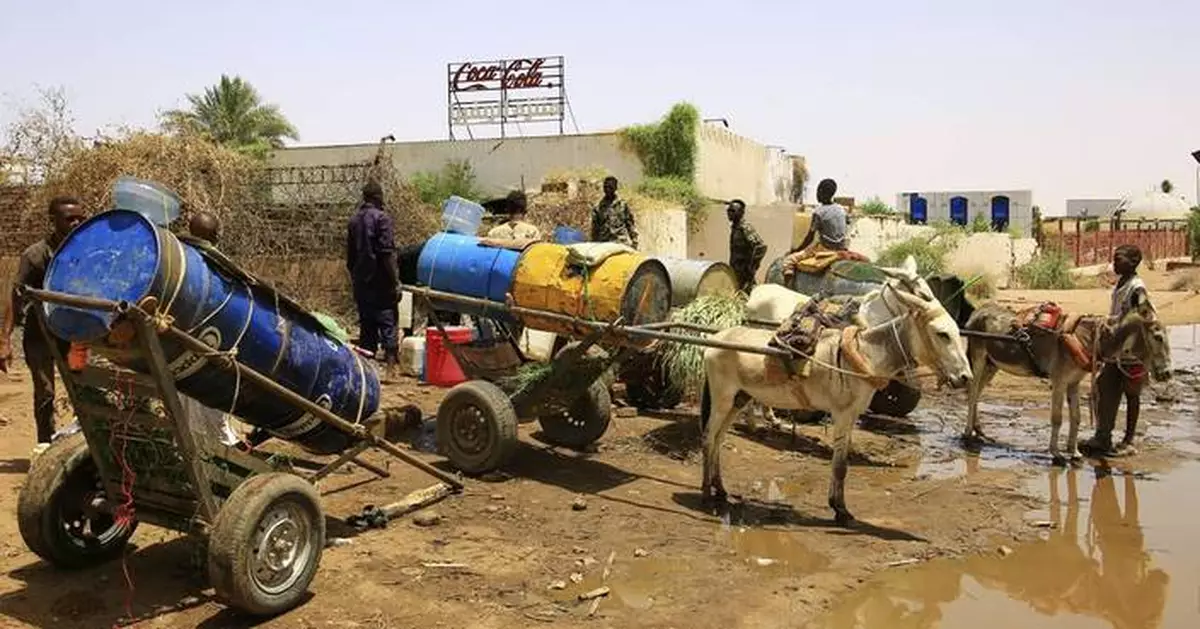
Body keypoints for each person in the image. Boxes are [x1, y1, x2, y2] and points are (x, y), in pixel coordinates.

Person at [0, 197, 87, 447]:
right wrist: (5, 341)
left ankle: (84, 447)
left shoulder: (88, 251)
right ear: (53, 221)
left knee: (82, 390)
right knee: (45, 393)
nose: (77, 222)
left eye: (80, 217)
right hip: (41, 335)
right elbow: (15, 298)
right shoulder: (35, 255)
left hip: (76, 337)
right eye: (70, 218)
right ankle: (45, 447)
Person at [1083, 244, 1150, 457]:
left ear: (1132, 262)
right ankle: (1103, 436)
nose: (1115, 263)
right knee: (1104, 387)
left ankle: (1128, 440)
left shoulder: (1137, 287)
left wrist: (1113, 322)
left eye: (1119, 259)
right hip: (1116, 350)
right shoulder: (1122, 283)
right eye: (1114, 259)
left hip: (1132, 351)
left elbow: (1142, 315)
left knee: (1132, 394)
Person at [346, 181, 401, 381]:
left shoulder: (353, 221)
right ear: (378, 197)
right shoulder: (382, 219)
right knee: (387, 320)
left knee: (367, 324)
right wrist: (395, 281)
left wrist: (357, 276)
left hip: (361, 281)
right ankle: (391, 368)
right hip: (381, 281)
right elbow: (387, 254)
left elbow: (350, 258)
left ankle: (367, 372)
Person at [726, 199, 767, 293]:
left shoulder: (745, 228)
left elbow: (760, 247)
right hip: (735, 269)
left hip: (744, 272)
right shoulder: (735, 227)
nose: (729, 213)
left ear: (741, 213)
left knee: (747, 295)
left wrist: (751, 267)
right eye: (728, 211)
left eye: (732, 211)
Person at [590, 176, 638, 249]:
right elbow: (595, 229)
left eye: (610, 187)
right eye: (605, 187)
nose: (607, 189)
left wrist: (634, 241)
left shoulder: (622, 205)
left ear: (615, 188)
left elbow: (630, 224)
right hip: (604, 243)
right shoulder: (598, 207)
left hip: (620, 242)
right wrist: (594, 245)